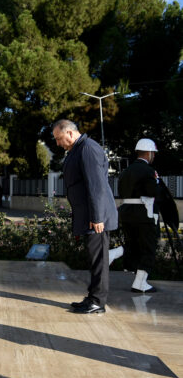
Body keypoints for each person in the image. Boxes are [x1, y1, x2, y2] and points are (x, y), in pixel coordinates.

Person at [52, 119, 118, 314]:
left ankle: (98, 301)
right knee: (93, 258)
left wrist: (97, 217)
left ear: (71, 134)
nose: (57, 143)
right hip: (89, 215)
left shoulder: (88, 149)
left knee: (99, 259)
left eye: (59, 138)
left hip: (95, 218)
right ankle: (93, 297)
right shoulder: (78, 149)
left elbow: (96, 185)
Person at [117, 138, 159, 293]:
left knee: (133, 245)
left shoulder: (126, 171)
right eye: (153, 153)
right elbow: (153, 192)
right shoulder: (148, 171)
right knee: (148, 247)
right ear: (148, 153)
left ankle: (114, 253)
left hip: (127, 211)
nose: (153, 156)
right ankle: (140, 283)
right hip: (144, 213)